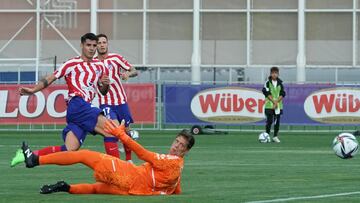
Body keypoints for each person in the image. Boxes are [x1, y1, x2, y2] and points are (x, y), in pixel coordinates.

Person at [13, 33, 121, 163]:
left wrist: (106, 84)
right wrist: (33, 90)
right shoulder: (71, 63)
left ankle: (30, 156)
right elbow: (51, 78)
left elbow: (103, 91)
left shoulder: (100, 65)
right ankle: (119, 173)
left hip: (83, 108)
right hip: (78, 104)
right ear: (81, 45)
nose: (92, 48)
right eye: (88, 45)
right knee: (111, 130)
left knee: (69, 150)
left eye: (94, 45)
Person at [12, 120, 195, 195]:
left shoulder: (171, 161)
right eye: (177, 141)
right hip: (131, 191)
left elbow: (143, 154)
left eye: (181, 145)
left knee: (83, 155)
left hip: (129, 175)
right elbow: (175, 189)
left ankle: (34, 160)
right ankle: (66, 187)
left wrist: (120, 134)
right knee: (94, 189)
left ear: (185, 151)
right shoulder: (179, 167)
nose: (176, 146)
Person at [95, 33, 138, 162]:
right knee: (114, 129)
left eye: (104, 42)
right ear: (96, 46)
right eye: (99, 43)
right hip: (105, 102)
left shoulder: (116, 58)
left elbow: (134, 70)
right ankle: (115, 162)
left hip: (121, 101)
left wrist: (128, 74)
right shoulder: (93, 63)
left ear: (107, 44)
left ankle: (129, 160)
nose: (102, 45)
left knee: (126, 131)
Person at [262, 67, 286, 143]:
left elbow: (283, 93)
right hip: (269, 105)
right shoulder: (267, 83)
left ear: (278, 74)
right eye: (273, 73)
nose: (274, 74)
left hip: (278, 106)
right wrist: (273, 102)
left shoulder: (281, 83)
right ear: (270, 74)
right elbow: (266, 93)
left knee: (277, 121)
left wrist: (276, 102)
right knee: (269, 121)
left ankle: (275, 136)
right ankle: (267, 136)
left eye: (276, 73)